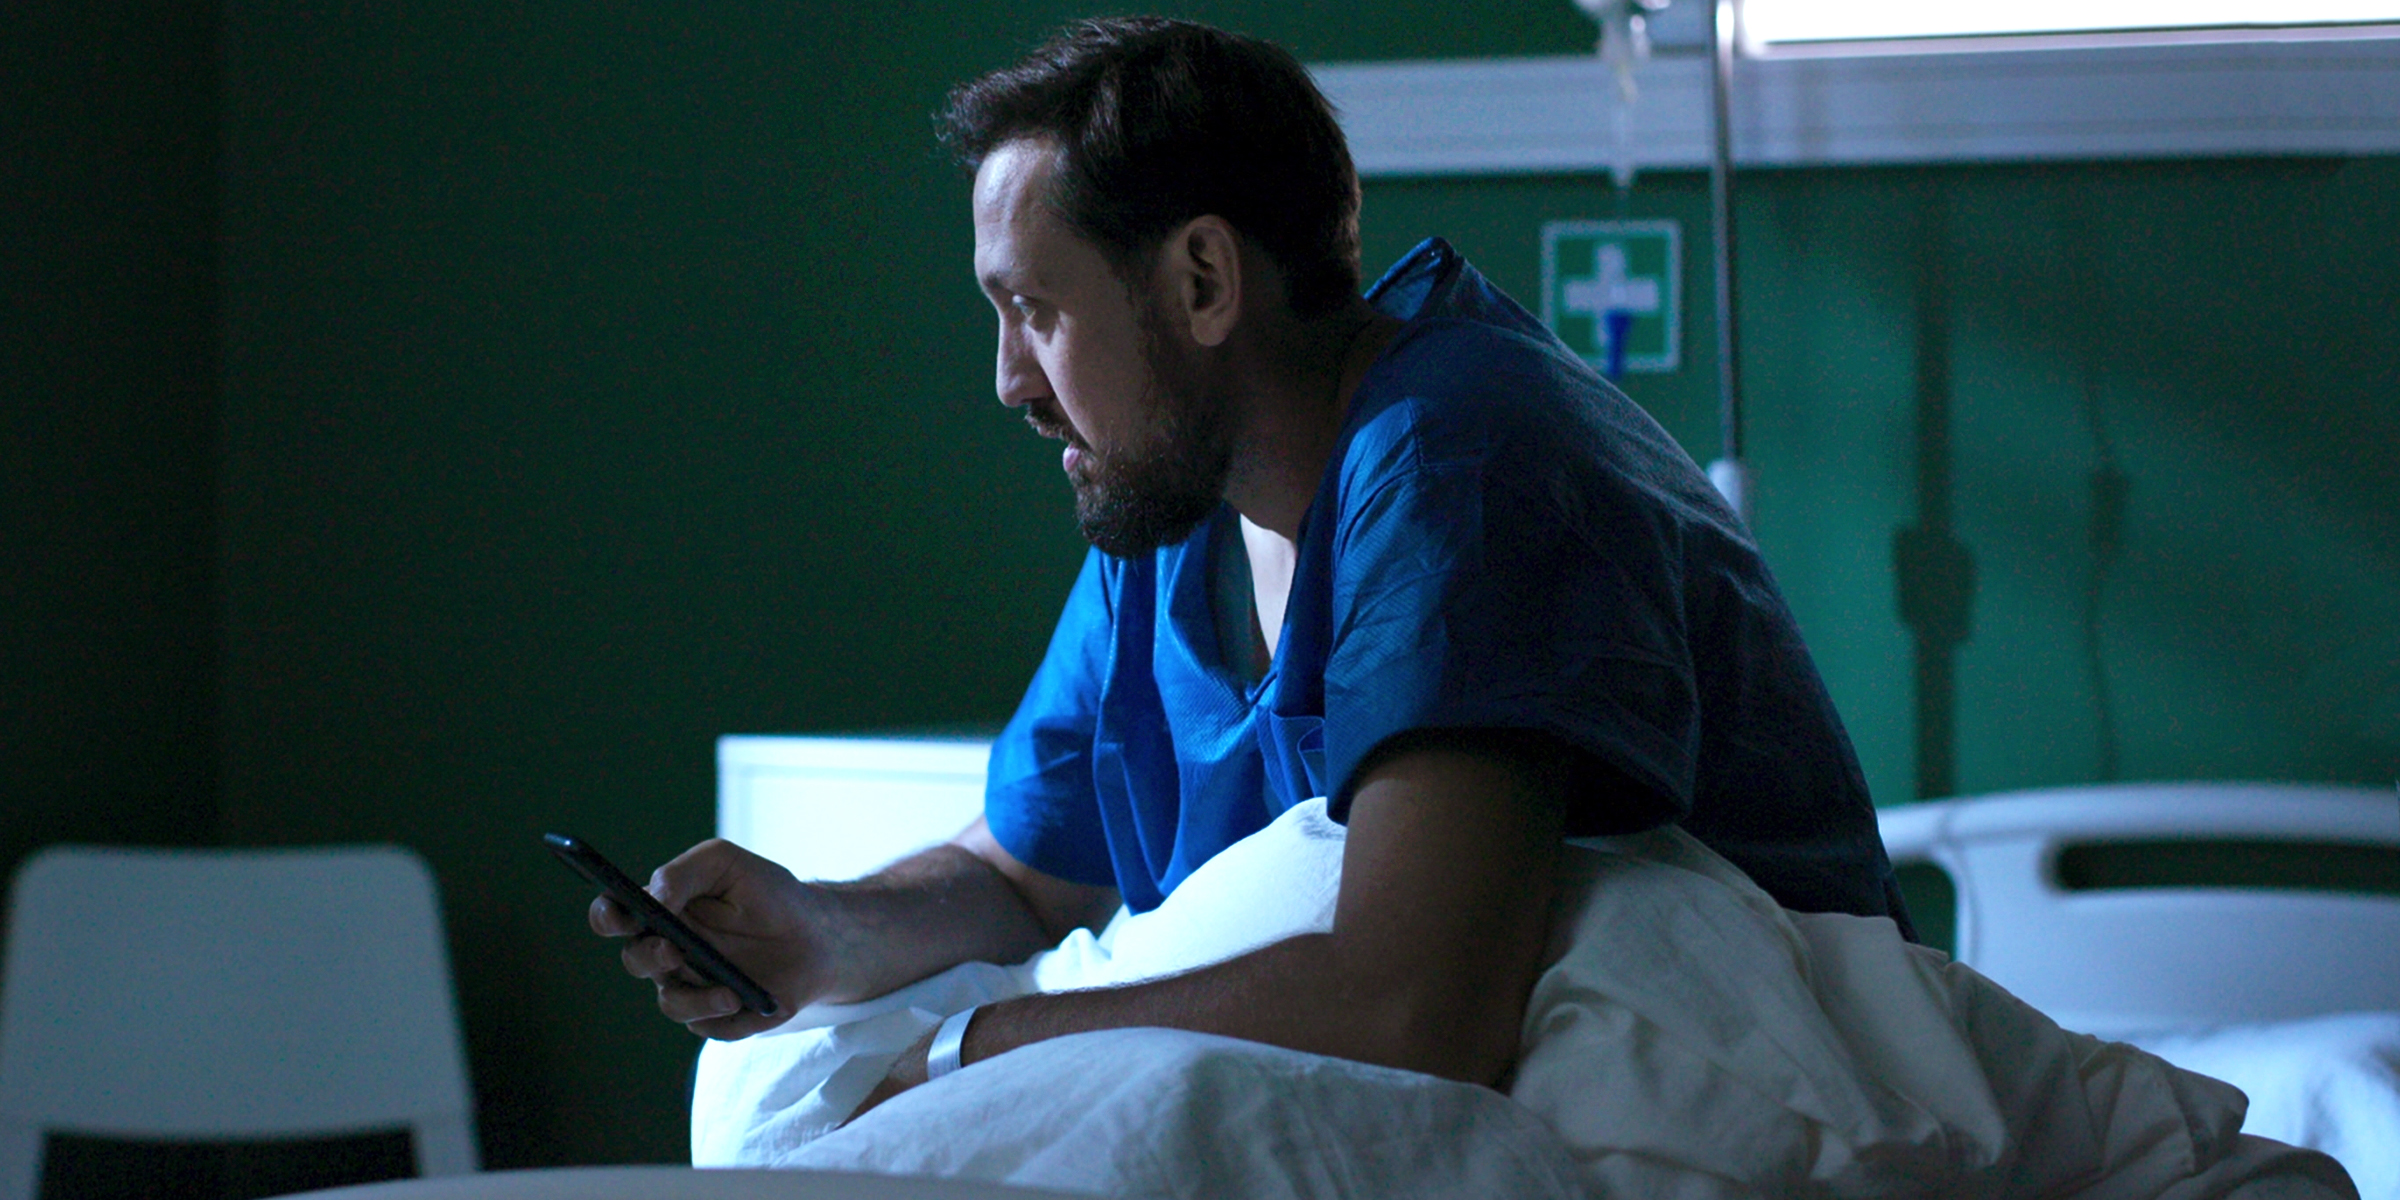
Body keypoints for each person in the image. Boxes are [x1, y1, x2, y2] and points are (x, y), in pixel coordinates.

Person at [595, 15, 1909, 1118]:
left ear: (1205, 280)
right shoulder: (1173, 513)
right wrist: (821, 932)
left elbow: (1416, 1003)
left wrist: (960, 1057)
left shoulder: (1464, 465)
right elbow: (1021, 873)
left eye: (1035, 311)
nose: (1010, 383)